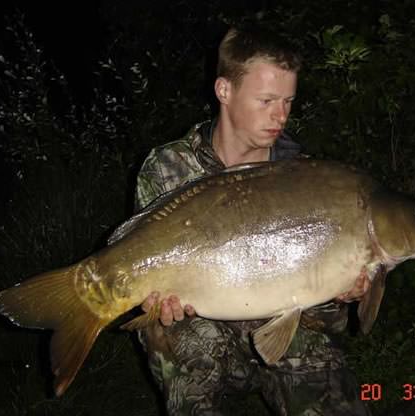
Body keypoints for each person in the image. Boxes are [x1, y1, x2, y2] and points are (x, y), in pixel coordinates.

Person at [134, 25, 371, 416]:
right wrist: (155, 304)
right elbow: (144, 273)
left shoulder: (307, 181)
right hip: (198, 330)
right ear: (224, 91)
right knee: (177, 342)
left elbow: (328, 320)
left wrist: (341, 294)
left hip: (285, 331)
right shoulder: (167, 168)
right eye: (266, 101)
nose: (281, 116)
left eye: (289, 101)